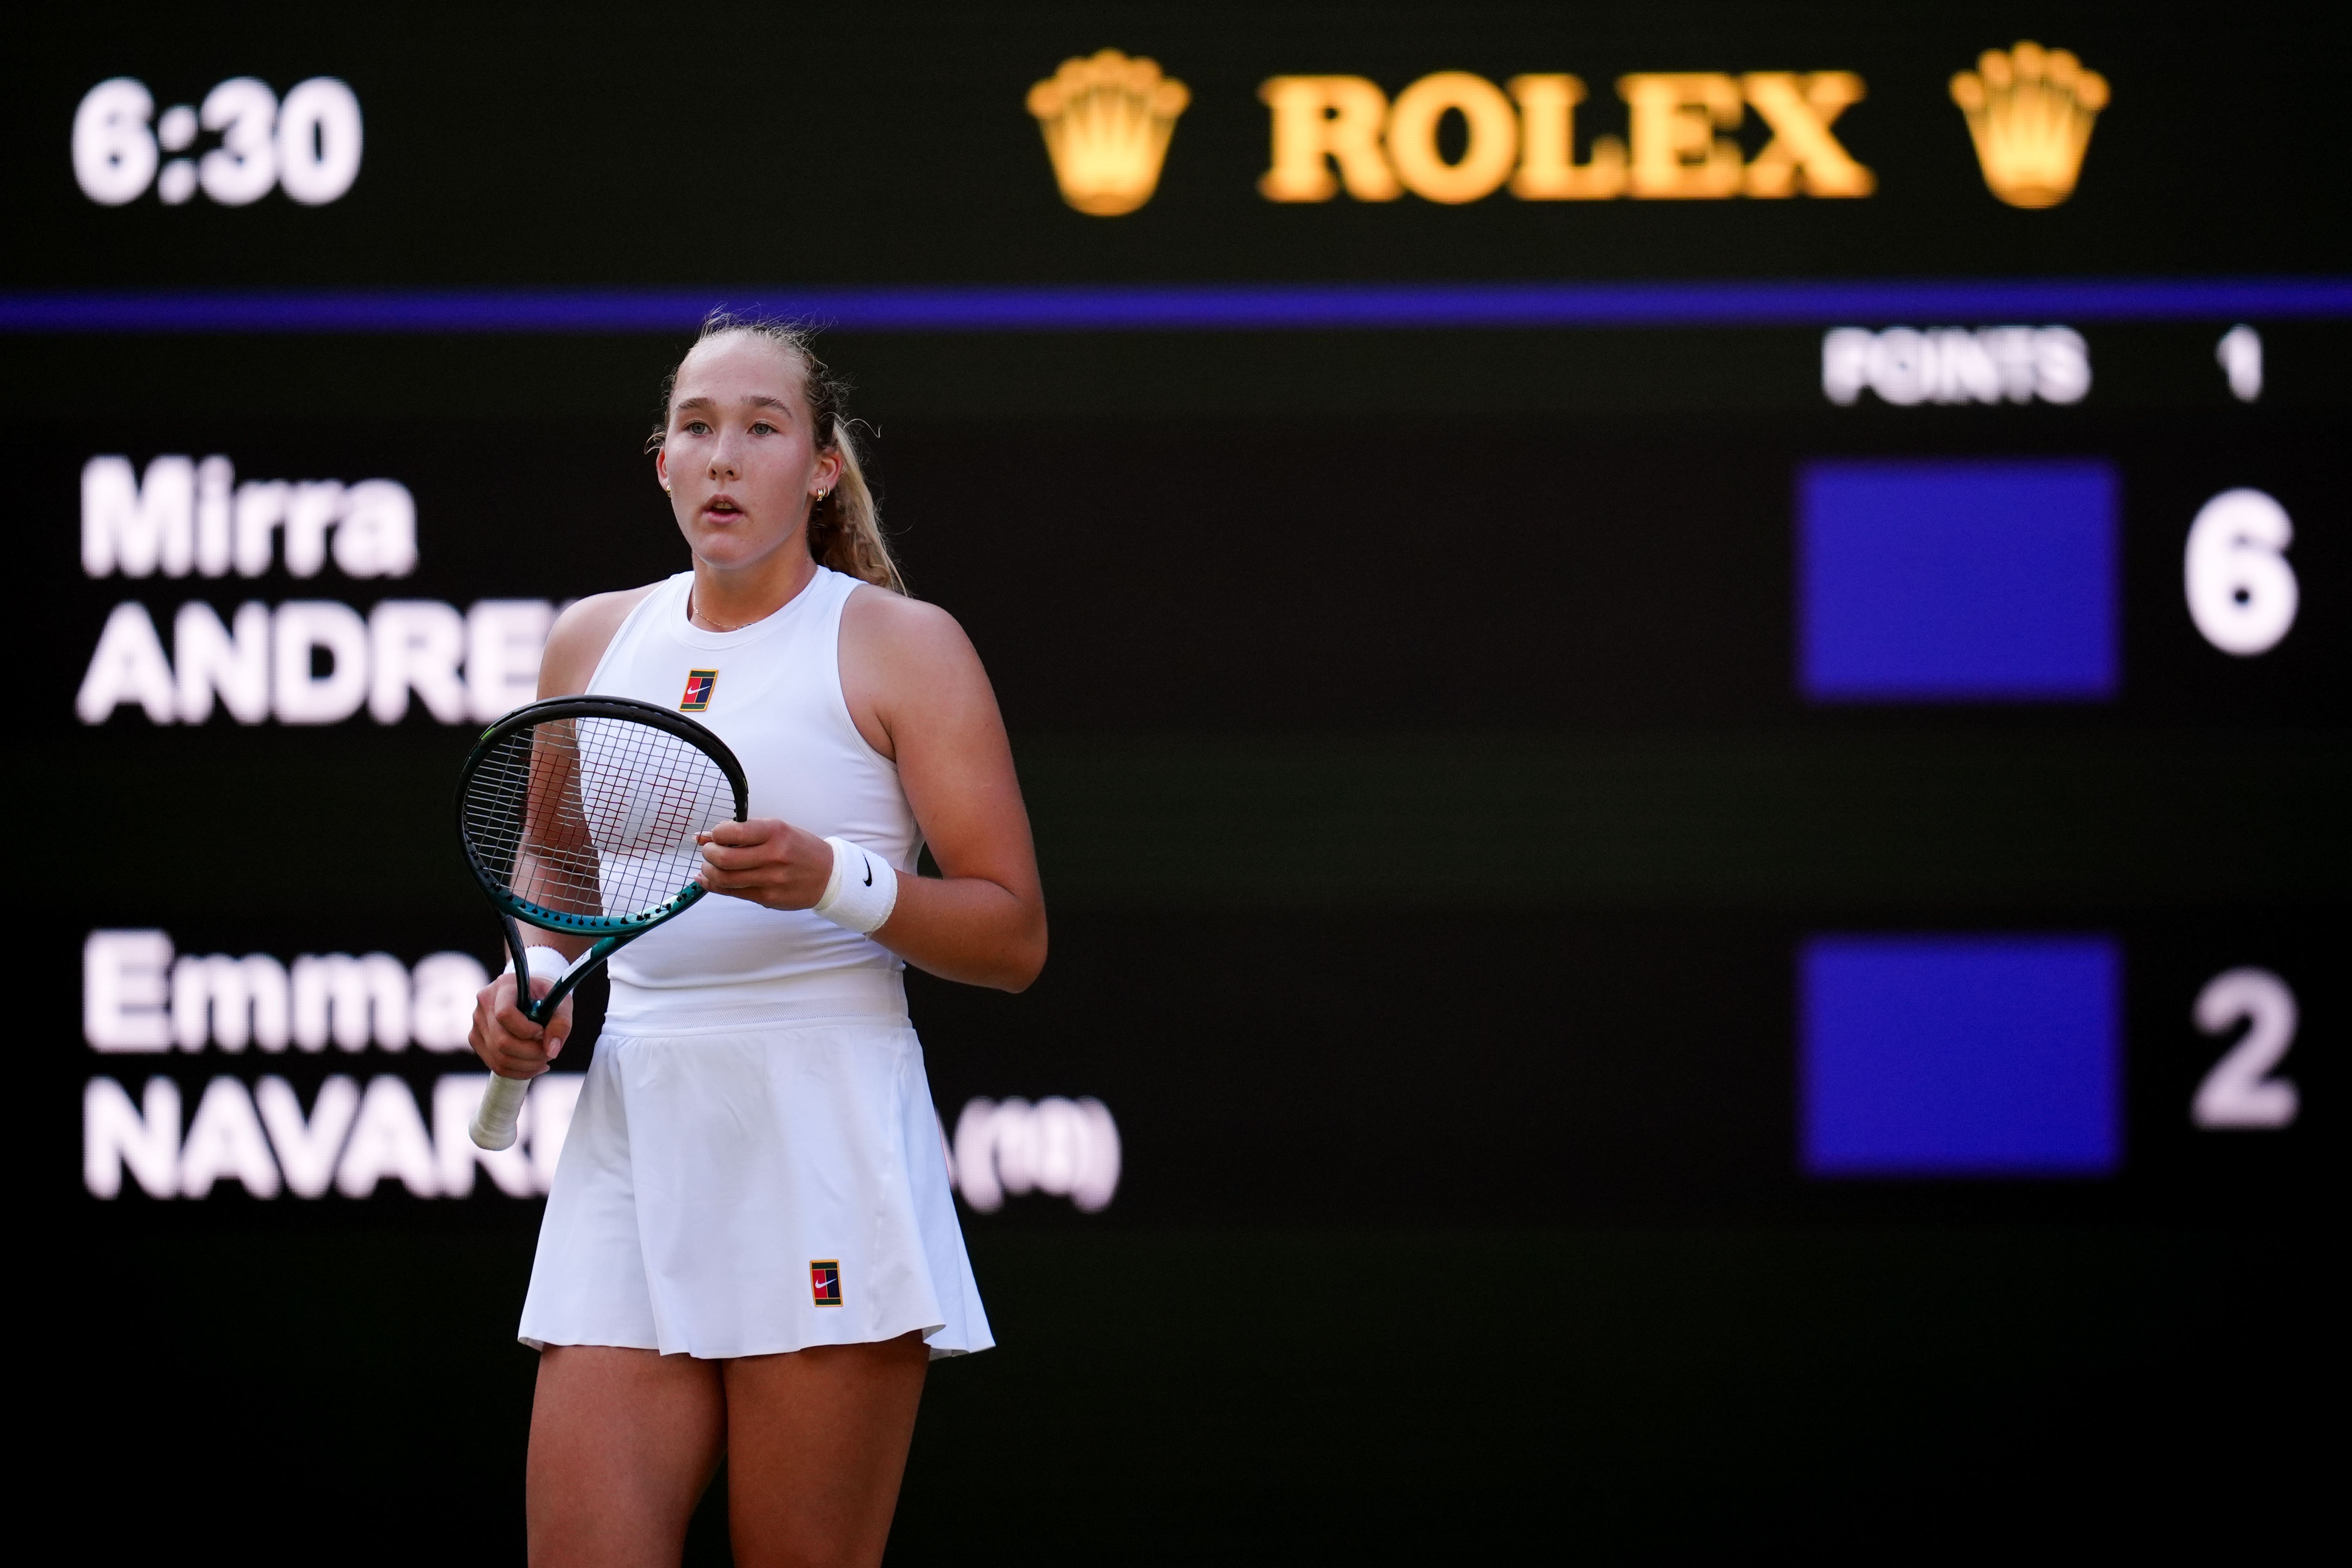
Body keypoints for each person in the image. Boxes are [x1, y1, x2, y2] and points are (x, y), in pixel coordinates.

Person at [468, 314, 1047, 1567]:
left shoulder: (907, 647)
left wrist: (835, 881)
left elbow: (1012, 934)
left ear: (822, 468)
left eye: (762, 428)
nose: (724, 456)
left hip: (824, 1137)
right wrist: (534, 978)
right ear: (663, 464)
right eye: (697, 427)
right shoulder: (589, 642)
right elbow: (555, 864)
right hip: (635, 1129)